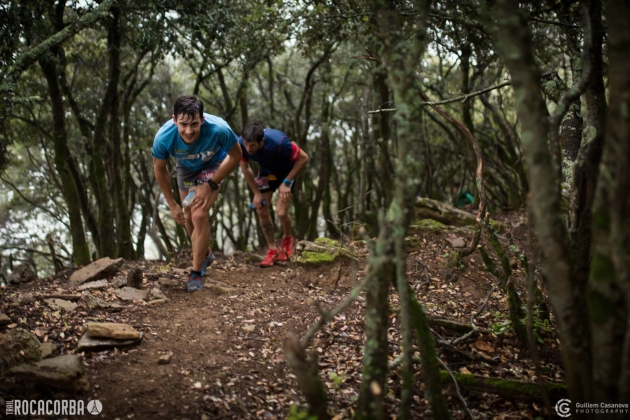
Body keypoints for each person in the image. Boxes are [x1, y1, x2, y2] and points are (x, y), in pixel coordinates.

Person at [152, 95, 241, 292]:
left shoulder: (219, 129)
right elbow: (159, 169)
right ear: (174, 120)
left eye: (194, 124)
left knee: (199, 215)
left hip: (213, 166)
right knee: (188, 217)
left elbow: (236, 155)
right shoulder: (164, 137)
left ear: (202, 119)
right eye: (183, 124)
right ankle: (205, 254)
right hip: (187, 169)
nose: (189, 131)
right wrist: (172, 204)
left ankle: (196, 271)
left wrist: (211, 184)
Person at [239, 123, 309, 267]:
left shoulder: (280, 143)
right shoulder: (241, 144)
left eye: (252, 145)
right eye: (246, 144)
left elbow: (304, 158)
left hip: (287, 173)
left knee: (281, 213)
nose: (249, 149)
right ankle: (272, 250)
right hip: (266, 173)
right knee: (261, 209)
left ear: (262, 141)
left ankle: (288, 239)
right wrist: (256, 193)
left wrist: (287, 182)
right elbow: (245, 167)